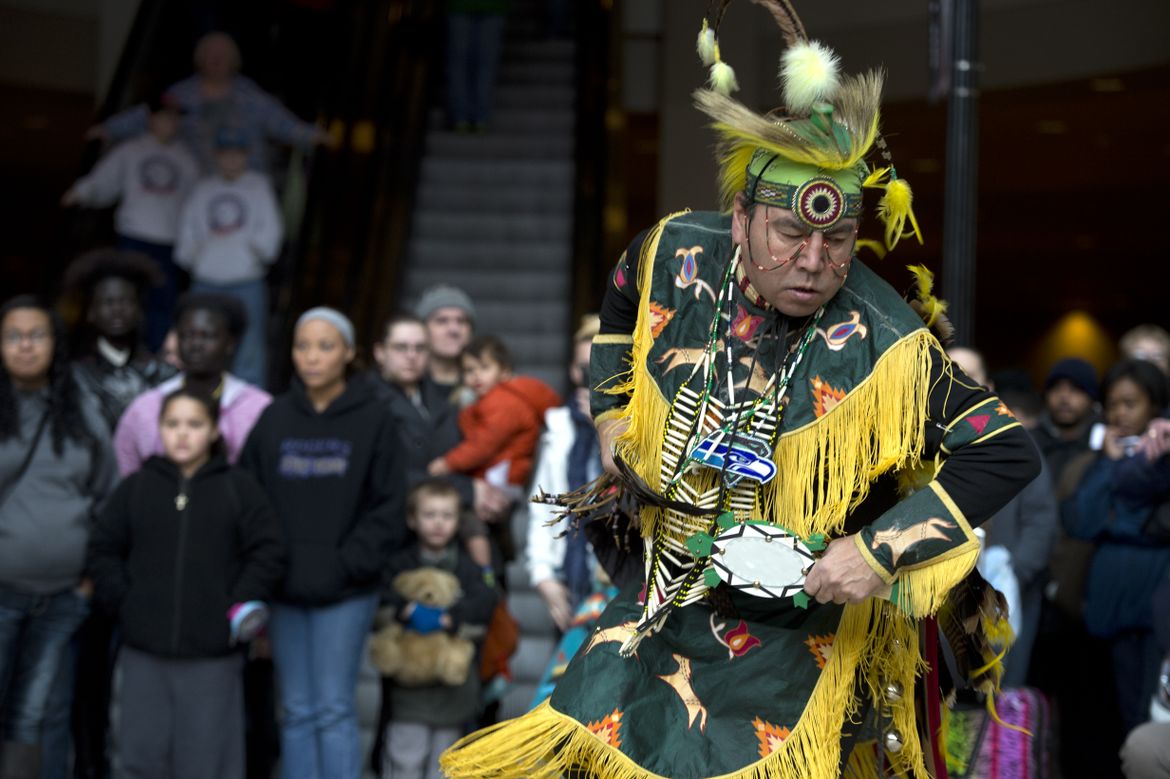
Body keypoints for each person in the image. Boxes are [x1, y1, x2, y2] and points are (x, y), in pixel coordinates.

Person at [440, 5, 1040, 776]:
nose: (815, 260)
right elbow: (621, 309)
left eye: (837, 240)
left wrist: (878, 550)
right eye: (791, 233)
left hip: (807, 622)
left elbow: (1004, 450)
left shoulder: (890, 342)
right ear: (740, 218)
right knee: (585, 734)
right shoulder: (672, 251)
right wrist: (614, 416)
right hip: (674, 585)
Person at [238, 307, 406, 779]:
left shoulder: (374, 419)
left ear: (349, 353)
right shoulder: (273, 418)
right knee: (295, 709)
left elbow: (389, 506)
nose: (312, 357)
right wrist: (271, 565)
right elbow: (249, 501)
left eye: (325, 346)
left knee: (332, 708)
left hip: (346, 590)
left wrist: (345, 564)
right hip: (285, 587)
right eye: (302, 346)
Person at [86, 388, 285, 779]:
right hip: (144, 652)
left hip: (212, 656)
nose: (182, 434)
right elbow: (102, 550)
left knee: (206, 760)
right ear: (159, 429)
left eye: (194, 424)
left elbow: (268, 551)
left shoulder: (238, 488)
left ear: (213, 431)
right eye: (172, 424)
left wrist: (236, 606)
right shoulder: (138, 487)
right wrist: (128, 604)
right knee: (141, 757)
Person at [0, 296, 116, 779]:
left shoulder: (82, 411)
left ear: (56, 343)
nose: (26, 346)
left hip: (63, 598)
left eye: (37, 335)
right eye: (13, 336)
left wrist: (88, 580)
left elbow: (107, 496)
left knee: (44, 715)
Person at [1064, 359, 1170, 732]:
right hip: (1112, 593)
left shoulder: (1165, 454)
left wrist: (1121, 520)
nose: (1119, 413)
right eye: (1112, 404)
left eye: (1130, 403)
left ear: (1154, 406)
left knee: (1152, 706)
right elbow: (1082, 523)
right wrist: (1108, 466)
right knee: (1114, 708)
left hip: (1157, 587)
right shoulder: (1100, 460)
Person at [946, 346, 1059, 686]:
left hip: (1006, 591)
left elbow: (1041, 517)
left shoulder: (1011, 440)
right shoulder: (918, 443)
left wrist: (1013, 572)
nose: (957, 385)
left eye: (968, 377)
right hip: (937, 598)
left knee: (1000, 694)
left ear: (988, 388)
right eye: (948, 375)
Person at [378, 480, 497, 779]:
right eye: (429, 515)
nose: (438, 523)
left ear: (458, 521)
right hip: (408, 694)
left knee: (444, 766)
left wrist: (450, 620)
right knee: (405, 758)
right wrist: (404, 611)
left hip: (454, 693)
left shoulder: (467, 566)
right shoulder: (398, 563)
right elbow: (381, 604)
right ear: (412, 520)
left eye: (447, 516)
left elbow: (484, 606)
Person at [63, 97, 200, 351]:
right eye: (163, 117)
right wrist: (82, 192)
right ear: (151, 119)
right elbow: (104, 180)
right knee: (123, 299)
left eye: (173, 118)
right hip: (132, 237)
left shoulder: (187, 159)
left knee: (162, 304)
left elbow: (197, 203)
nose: (168, 123)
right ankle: (118, 350)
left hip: (169, 243)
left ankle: (156, 355)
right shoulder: (132, 150)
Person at [92, 32, 329, 175]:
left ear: (234, 61)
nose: (216, 58)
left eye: (223, 54)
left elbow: (282, 123)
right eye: (210, 53)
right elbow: (146, 116)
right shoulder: (181, 95)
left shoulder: (250, 97)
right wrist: (108, 128)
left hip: (243, 183)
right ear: (199, 60)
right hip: (192, 187)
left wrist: (315, 136)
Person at [369, 313, 503, 563]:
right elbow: (381, 476)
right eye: (401, 347)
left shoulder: (447, 397)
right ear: (380, 352)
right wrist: (465, 490)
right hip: (391, 543)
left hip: (451, 545)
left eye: (420, 348)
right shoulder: (365, 401)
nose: (411, 355)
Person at [114, 293, 270, 475]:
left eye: (208, 336)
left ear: (230, 343)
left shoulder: (258, 409)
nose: (196, 344)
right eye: (187, 335)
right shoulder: (147, 408)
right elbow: (127, 474)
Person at [175, 126, 283, 388]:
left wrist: (255, 252)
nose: (232, 159)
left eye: (238, 153)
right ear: (216, 155)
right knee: (196, 344)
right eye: (226, 153)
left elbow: (272, 233)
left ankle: (250, 415)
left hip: (247, 281)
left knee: (249, 350)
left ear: (247, 155)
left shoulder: (259, 187)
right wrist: (195, 257)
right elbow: (187, 231)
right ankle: (194, 400)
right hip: (206, 280)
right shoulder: (203, 188)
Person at [527, 314, 606, 631]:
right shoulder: (557, 425)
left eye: (601, 365)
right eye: (585, 368)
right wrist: (542, 575)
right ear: (574, 372)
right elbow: (542, 502)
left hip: (621, 578)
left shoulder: (638, 426)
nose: (592, 376)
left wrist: (606, 426)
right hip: (568, 577)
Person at [427, 335, 560, 499]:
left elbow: (482, 445)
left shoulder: (503, 402)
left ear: (504, 371)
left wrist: (447, 463)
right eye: (469, 370)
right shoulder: (488, 399)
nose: (476, 375)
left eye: (484, 367)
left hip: (504, 478)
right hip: (498, 472)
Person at [64, 249, 178, 432]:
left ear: (140, 310)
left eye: (125, 301)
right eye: (108, 302)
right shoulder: (76, 375)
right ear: (91, 313)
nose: (117, 309)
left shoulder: (162, 372)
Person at [1032, 357, 1101, 487]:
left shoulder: (1105, 442)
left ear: (1092, 398)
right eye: (1056, 388)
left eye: (1075, 388)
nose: (1064, 396)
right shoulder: (1031, 442)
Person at [445, 0, 508, 132]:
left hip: (472, 7)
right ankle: (476, 116)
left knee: (462, 64)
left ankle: (465, 116)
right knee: (481, 64)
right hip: (484, 7)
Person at [414, 285, 475, 403]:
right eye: (442, 321)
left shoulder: (487, 384)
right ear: (421, 329)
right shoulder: (404, 383)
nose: (454, 330)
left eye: (461, 321)